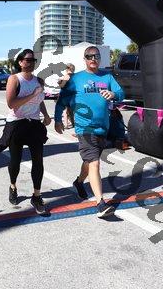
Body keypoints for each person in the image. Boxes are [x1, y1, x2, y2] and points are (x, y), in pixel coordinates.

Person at [54, 46, 124, 218]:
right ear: (84, 59)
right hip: (84, 128)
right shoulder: (76, 79)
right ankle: (100, 203)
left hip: (103, 128)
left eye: (96, 56)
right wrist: (57, 119)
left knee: (90, 161)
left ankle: (79, 182)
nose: (93, 59)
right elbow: (62, 100)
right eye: (89, 56)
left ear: (100, 58)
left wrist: (113, 94)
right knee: (94, 163)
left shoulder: (107, 77)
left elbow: (121, 93)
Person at [0, 49, 51, 214]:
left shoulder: (39, 81)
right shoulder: (14, 79)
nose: (31, 63)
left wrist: (46, 115)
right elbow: (11, 103)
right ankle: (13, 186)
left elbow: (40, 100)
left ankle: (37, 196)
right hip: (17, 124)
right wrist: (33, 94)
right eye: (28, 60)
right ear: (20, 62)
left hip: (34, 124)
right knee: (15, 161)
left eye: (33, 60)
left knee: (38, 160)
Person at [58, 63, 76, 129]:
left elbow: (62, 85)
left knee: (65, 111)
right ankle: (73, 123)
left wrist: (59, 82)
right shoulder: (75, 76)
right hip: (73, 95)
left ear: (67, 69)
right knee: (71, 110)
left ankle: (66, 125)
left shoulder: (66, 76)